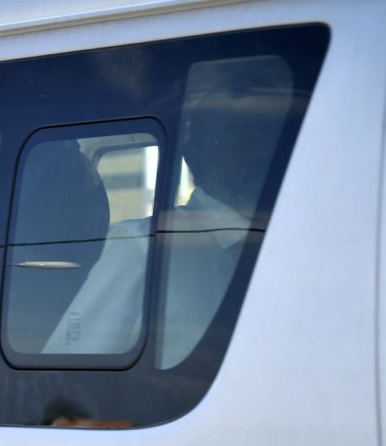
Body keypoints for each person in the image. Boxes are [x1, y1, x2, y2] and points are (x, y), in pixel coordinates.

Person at [43, 81, 288, 368]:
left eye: (268, 140)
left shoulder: (290, 243)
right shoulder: (143, 246)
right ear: (196, 155)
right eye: (239, 139)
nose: (261, 155)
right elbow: (69, 371)